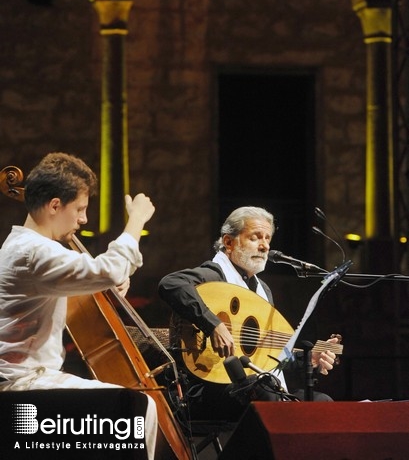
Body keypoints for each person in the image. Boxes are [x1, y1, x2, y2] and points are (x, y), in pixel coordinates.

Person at [0, 152, 157, 456]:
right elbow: (108, 269)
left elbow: (100, 275)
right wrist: (136, 219)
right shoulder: (35, 251)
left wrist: (105, 279)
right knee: (139, 407)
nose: (84, 219)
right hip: (23, 384)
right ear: (55, 205)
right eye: (80, 209)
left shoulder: (22, 246)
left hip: (30, 378)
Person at [158, 206, 338, 420]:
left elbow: (266, 356)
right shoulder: (213, 275)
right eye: (255, 238)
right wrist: (213, 324)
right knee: (266, 397)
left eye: (268, 239)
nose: (264, 246)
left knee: (322, 403)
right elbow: (170, 284)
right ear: (228, 242)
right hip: (207, 388)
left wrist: (307, 359)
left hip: (254, 387)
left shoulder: (263, 291)